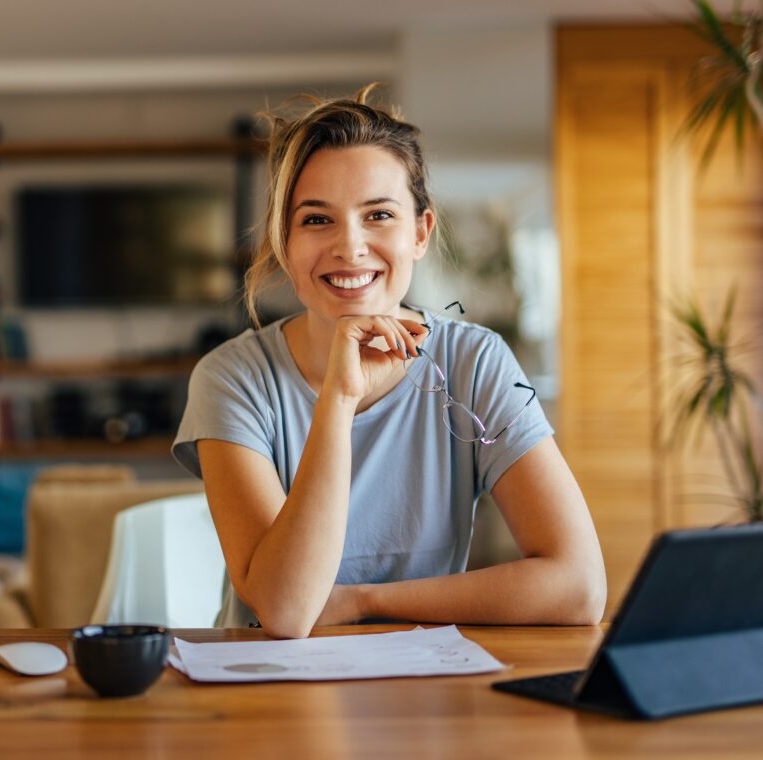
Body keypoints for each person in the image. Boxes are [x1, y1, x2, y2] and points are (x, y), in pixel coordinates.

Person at [172, 85, 606, 638]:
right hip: (273, 689)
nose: (350, 247)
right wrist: (339, 397)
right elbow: (284, 612)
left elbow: (580, 586)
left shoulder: (476, 361)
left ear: (420, 233)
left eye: (377, 214)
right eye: (315, 220)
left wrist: (361, 602)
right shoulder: (232, 379)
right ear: (284, 240)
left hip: (431, 680)